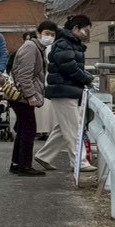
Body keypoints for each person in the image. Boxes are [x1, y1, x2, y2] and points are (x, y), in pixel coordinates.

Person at [35, 14, 97, 173]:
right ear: (76, 28)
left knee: (64, 127)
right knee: (73, 127)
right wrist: (87, 78)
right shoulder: (65, 44)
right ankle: (79, 161)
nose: (86, 34)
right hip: (64, 90)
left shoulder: (68, 43)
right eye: (85, 30)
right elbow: (70, 67)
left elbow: (71, 66)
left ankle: (44, 156)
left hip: (64, 89)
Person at [8, 21, 56, 176]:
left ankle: (17, 163)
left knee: (23, 129)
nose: (49, 37)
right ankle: (25, 166)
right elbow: (24, 75)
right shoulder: (31, 48)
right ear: (38, 34)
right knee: (29, 130)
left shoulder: (36, 48)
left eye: (52, 34)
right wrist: (30, 95)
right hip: (23, 96)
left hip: (21, 95)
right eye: (47, 33)